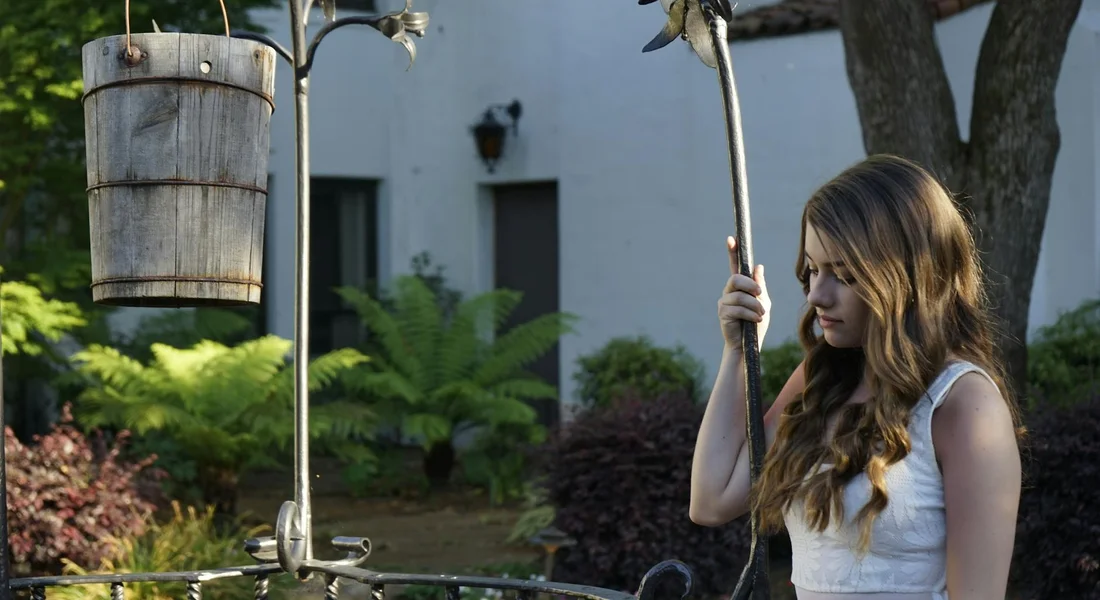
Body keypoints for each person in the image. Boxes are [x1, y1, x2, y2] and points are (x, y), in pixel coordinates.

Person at [689, 154, 1023, 600]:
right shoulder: (823, 378)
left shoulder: (965, 406)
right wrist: (739, 351)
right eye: (812, 269)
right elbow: (712, 500)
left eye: (844, 275)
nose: (817, 295)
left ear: (906, 277)